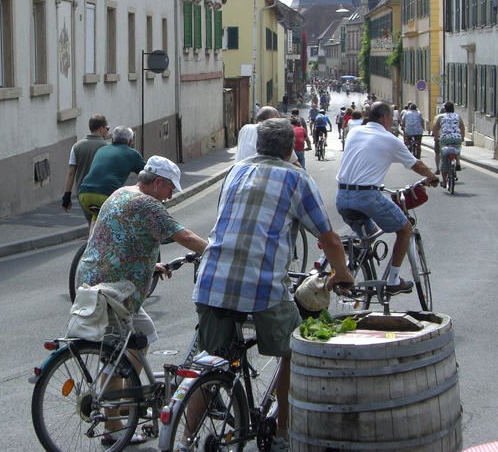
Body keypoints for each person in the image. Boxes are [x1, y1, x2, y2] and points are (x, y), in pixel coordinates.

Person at [193, 118, 354, 450]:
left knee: (209, 361)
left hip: (210, 282)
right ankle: (282, 431)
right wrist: (342, 274)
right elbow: (330, 240)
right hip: (261, 287)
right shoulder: (296, 179)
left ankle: (184, 439)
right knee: (295, 349)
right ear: (291, 148)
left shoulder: (234, 173)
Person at [77, 155, 208, 445]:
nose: (171, 195)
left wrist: (153, 265)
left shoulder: (121, 193)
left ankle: (123, 395)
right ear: (157, 183)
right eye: (170, 188)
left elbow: (120, 237)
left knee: (144, 334)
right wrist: (217, 252)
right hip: (113, 292)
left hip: (95, 281)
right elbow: (184, 236)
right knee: (116, 353)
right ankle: (113, 426)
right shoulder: (148, 205)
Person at [336, 102, 439, 295]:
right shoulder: (390, 139)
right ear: (384, 118)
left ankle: (352, 268)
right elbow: (415, 164)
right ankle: (393, 280)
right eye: (392, 118)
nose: (393, 122)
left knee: (369, 233)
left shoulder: (355, 132)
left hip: (342, 196)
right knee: (405, 228)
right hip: (366, 195)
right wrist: (431, 176)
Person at [77, 126, 145, 224]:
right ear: (130, 142)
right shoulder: (133, 154)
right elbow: (147, 176)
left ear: (112, 139)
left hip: (84, 194)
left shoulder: (101, 150)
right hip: (106, 195)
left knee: (97, 220)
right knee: (124, 224)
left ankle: (92, 238)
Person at [62, 115, 109, 223]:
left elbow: (71, 173)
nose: (107, 132)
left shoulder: (76, 146)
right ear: (101, 129)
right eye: (107, 128)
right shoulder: (107, 147)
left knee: (91, 223)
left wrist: (66, 197)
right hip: (101, 193)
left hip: (83, 194)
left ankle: (90, 239)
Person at [432, 101, 465, 187]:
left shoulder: (441, 117)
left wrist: (436, 138)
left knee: (444, 159)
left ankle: (443, 181)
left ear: (445, 109)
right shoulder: (458, 117)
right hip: (456, 138)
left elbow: (436, 128)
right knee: (457, 149)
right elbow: (462, 128)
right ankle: (457, 162)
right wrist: (462, 138)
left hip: (445, 139)